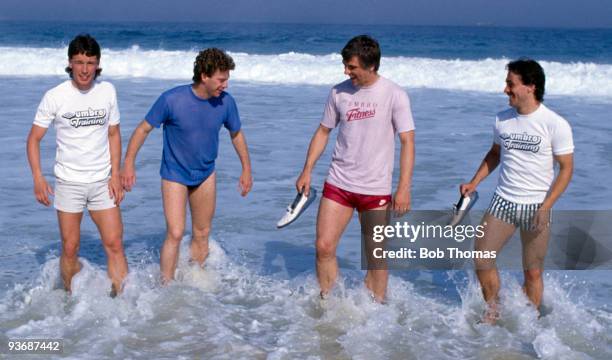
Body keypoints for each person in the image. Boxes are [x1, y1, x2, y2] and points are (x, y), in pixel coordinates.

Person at [295, 35, 416, 302]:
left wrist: (404, 188)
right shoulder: (338, 92)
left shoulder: (394, 94)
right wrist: (307, 170)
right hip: (338, 183)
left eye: (352, 67)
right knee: (323, 247)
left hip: (375, 189)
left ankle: (376, 312)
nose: (346, 71)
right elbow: (323, 132)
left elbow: (408, 142)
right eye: (345, 65)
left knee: (375, 257)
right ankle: (331, 306)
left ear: (370, 66)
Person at [121, 48, 253, 283]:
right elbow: (143, 129)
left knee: (202, 233)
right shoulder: (172, 99)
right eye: (222, 79)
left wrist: (246, 169)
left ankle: (195, 280)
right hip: (175, 174)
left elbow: (237, 134)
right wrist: (129, 163)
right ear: (205, 76)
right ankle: (166, 285)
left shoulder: (226, 103)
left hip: (205, 173)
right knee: (175, 232)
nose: (226, 85)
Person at [460, 59, 574, 324]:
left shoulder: (555, 124)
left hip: (537, 205)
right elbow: (495, 153)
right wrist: (474, 182)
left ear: (530, 87)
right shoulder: (503, 119)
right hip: (503, 201)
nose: (505, 89)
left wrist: (546, 206)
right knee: (482, 257)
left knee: (533, 272)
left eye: (511, 84)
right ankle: (493, 310)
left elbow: (566, 169)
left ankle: (529, 322)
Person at [26, 34, 128, 297]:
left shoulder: (107, 91)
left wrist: (115, 174)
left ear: (98, 64)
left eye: (90, 62)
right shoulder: (55, 96)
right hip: (69, 183)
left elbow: (114, 134)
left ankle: (122, 304)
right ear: (70, 63)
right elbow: (34, 139)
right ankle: (71, 300)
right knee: (70, 247)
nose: (84, 69)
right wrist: (38, 177)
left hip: (101, 181)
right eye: (79, 62)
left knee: (114, 243)